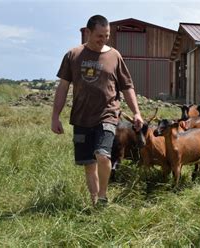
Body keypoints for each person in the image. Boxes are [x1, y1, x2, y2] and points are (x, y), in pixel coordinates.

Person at [51, 15, 144, 207]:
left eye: (107, 35)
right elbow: (63, 87)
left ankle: (102, 197)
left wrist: (136, 112)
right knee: (88, 163)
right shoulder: (73, 55)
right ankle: (94, 201)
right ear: (88, 32)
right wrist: (55, 116)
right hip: (81, 117)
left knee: (103, 155)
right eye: (99, 36)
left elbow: (127, 87)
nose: (103, 40)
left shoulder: (114, 56)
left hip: (108, 115)